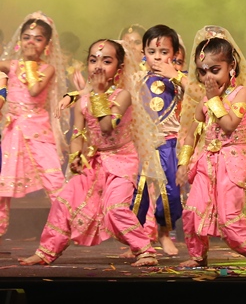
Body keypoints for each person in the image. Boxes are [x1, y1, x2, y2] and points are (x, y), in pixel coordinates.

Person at [20, 39, 164, 266]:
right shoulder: (82, 102)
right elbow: (78, 134)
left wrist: (97, 93)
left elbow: (106, 126)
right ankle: (46, 252)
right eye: (93, 60)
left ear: (119, 68)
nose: (98, 66)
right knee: (63, 201)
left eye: (106, 61)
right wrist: (75, 155)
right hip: (95, 162)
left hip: (122, 160)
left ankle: (145, 251)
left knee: (115, 208)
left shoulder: (123, 96)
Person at [177, 27, 246, 268]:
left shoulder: (241, 93)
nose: (208, 77)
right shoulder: (204, 100)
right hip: (206, 162)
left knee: (229, 216)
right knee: (192, 211)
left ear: (231, 66)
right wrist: (183, 163)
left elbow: (229, 124)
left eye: (214, 70)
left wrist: (213, 99)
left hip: (232, 162)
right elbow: (192, 134)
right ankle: (198, 255)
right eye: (202, 71)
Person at [0, 13, 67, 238]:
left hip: (39, 130)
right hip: (13, 131)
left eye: (38, 39)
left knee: (55, 181)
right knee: (2, 188)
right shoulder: (10, 65)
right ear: (19, 40)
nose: (31, 42)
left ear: (47, 44)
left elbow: (34, 90)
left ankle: (63, 230)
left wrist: (29, 63)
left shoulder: (47, 69)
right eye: (27, 37)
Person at [132, 25, 186, 256]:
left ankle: (164, 234)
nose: (157, 57)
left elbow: (198, 94)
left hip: (168, 143)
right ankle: (136, 241)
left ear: (174, 54)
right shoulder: (136, 78)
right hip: (141, 145)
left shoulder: (179, 79)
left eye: (164, 52)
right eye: (152, 51)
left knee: (171, 194)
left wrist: (176, 75)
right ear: (143, 52)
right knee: (138, 195)